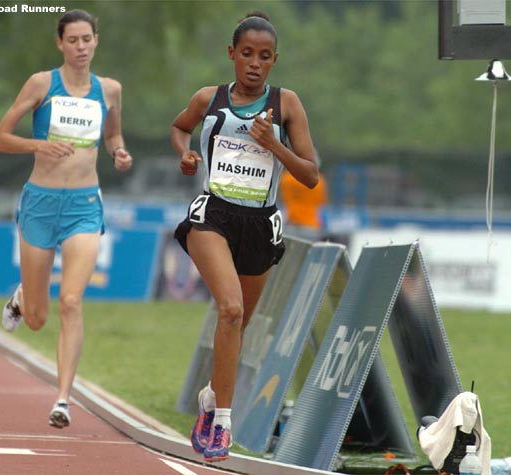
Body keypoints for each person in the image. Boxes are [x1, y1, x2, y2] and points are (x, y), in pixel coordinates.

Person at [171, 11, 319, 462]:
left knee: (239, 324)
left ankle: (211, 397)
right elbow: (180, 128)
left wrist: (273, 145)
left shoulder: (287, 104)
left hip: (260, 224)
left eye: (265, 56)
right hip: (213, 215)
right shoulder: (208, 99)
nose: (255, 63)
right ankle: (222, 424)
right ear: (232, 54)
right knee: (230, 309)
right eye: (247, 54)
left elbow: (311, 175)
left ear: (275, 61)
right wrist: (187, 154)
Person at [0, 9, 133, 429]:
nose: (81, 47)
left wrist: (118, 152)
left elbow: (112, 134)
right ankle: (21, 299)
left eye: (87, 39)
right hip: (39, 202)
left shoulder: (110, 90)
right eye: (72, 40)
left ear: (96, 41)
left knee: (71, 300)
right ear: (60, 43)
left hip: (84, 206)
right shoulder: (41, 84)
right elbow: (0, 138)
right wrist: (38, 146)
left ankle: (63, 400)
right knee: (37, 319)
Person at [279, 166, 327, 241]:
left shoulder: (286, 178)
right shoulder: (318, 180)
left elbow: (283, 197)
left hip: (291, 223)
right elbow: (321, 202)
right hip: (311, 225)